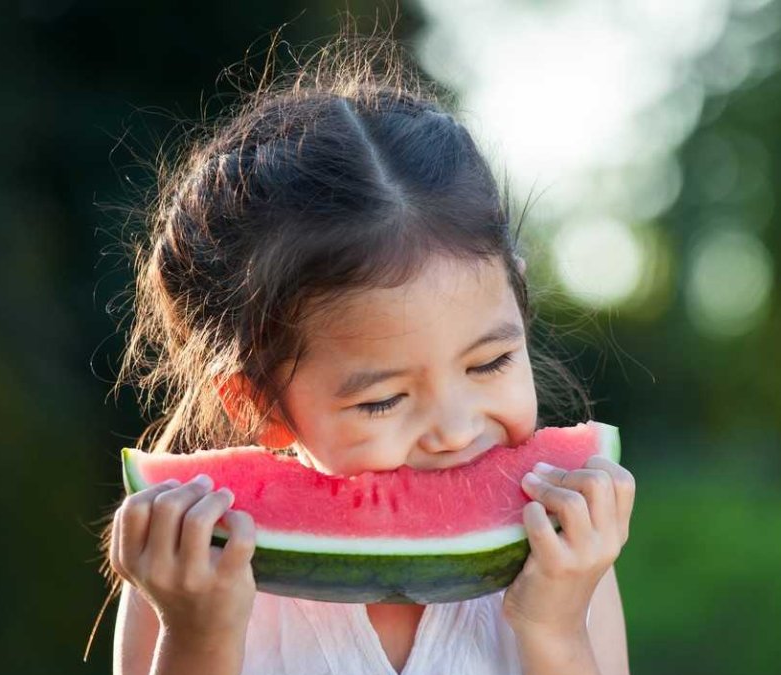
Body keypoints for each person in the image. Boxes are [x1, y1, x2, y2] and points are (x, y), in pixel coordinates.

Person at [99, 32, 635, 675]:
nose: (456, 429)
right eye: (383, 400)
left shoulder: (570, 563)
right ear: (258, 402)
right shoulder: (183, 578)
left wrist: (553, 628)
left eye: (490, 364)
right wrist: (198, 639)